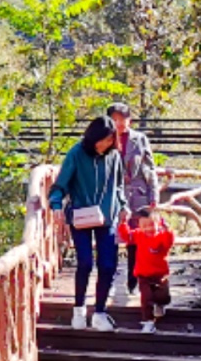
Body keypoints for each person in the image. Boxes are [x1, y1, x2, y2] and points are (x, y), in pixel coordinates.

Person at [47, 116, 126, 330]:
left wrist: (123, 205)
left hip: (107, 216)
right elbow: (60, 185)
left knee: (108, 265)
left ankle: (100, 312)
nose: (106, 144)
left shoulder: (114, 156)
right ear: (93, 137)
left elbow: (118, 186)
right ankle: (79, 309)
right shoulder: (76, 154)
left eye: (110, 140)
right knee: (85, 263)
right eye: (103, 140)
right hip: (81, 216)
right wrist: (55, 205)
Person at [105, 102, 159, 299]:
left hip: (137, 194)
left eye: (122, 119)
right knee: (111, 238)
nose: (118, 123)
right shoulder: (105, 139)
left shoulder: (139, 139)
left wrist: (153, 196)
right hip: (112, 195)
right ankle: (108, 281)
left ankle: (133, 281)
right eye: (114, 119)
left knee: (136, 240)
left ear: (130, 120)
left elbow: (150, 168)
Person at [119, 205, 177, 333]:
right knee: (146, 299)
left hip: (160, 274)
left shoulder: (161, 236)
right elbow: (127, 236)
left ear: (158, 223)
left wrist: (168, 230)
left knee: (162, 295)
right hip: (143, 274)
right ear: (139, 226)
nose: (148, 229)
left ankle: (161, 304)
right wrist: (123, 223)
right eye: (144, 226)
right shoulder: (139, 235)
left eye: (151, 225)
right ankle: (148, 322)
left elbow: (169, 242)